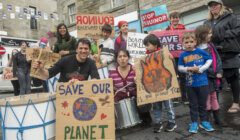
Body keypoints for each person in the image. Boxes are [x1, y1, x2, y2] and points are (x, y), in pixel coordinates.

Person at [204, 0, 240, 113]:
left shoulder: (230, 17)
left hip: (229, 52)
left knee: (232, 77)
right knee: (215, 79)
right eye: (211, 5)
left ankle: (236, 102)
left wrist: (223, 34)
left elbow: (238, 30)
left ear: (220, 5)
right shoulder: (207, 22)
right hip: (215, 54)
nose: (213, 7)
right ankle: (215, 103)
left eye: (215, 5)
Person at [178, 32, 214, 133]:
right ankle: (194, 122)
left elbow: (209, 59)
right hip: (190, 85)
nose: (189, 44)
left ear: (195, 42)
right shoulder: (182, 55)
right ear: (183, 43)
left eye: (191, 42)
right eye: (186, 42)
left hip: (203, 83)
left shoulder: (200, 51)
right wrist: (188, 68)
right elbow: (180, 68)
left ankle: (204, 121)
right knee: (193, 105)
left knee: (203, 104)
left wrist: (202, 69)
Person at [143, 34, 177, 133]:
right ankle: (158, 122)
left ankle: (172, 122)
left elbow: (172, 67)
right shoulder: (146, 57)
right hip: (154, 86)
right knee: (156, 106)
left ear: (155, 44)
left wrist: (172, 59)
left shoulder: (164, 53)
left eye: (148, 45)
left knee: (168, 105)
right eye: (146, 45)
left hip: (165, 85)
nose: (146, 47)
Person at [195, 25, 226, 127]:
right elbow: (201, 65)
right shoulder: (196, 50)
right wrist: (213, 73)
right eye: (209, 33)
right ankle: (206, 120)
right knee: (206, 99)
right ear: (202, 35)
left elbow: (217, 59)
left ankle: (217, 119)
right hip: (204, 78)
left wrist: (220, 71)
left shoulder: (211, 45)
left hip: (214, 78)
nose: (211, 35)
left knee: (214, 98)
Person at [32, 38, 99, 82]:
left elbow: (96, 80)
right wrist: (40, 69)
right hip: (64, 96)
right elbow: (47, 75)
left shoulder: (91, 63)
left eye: (86, 48)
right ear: (76, 50)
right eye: (81, 48)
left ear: (89, 50)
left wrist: (80, 83)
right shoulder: (65, 60)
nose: (83, 51)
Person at [166, 11, 188, 104]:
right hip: (171, 57)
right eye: (173, 17)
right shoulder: (167, 30)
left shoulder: (183, 27)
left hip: (182, 56)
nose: (175, 19)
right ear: (170, 19)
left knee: (183, 76)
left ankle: (184, 97)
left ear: (179, 18)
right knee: (173, 76)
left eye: (176, 17)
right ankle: (175, 97)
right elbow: (165, 43)